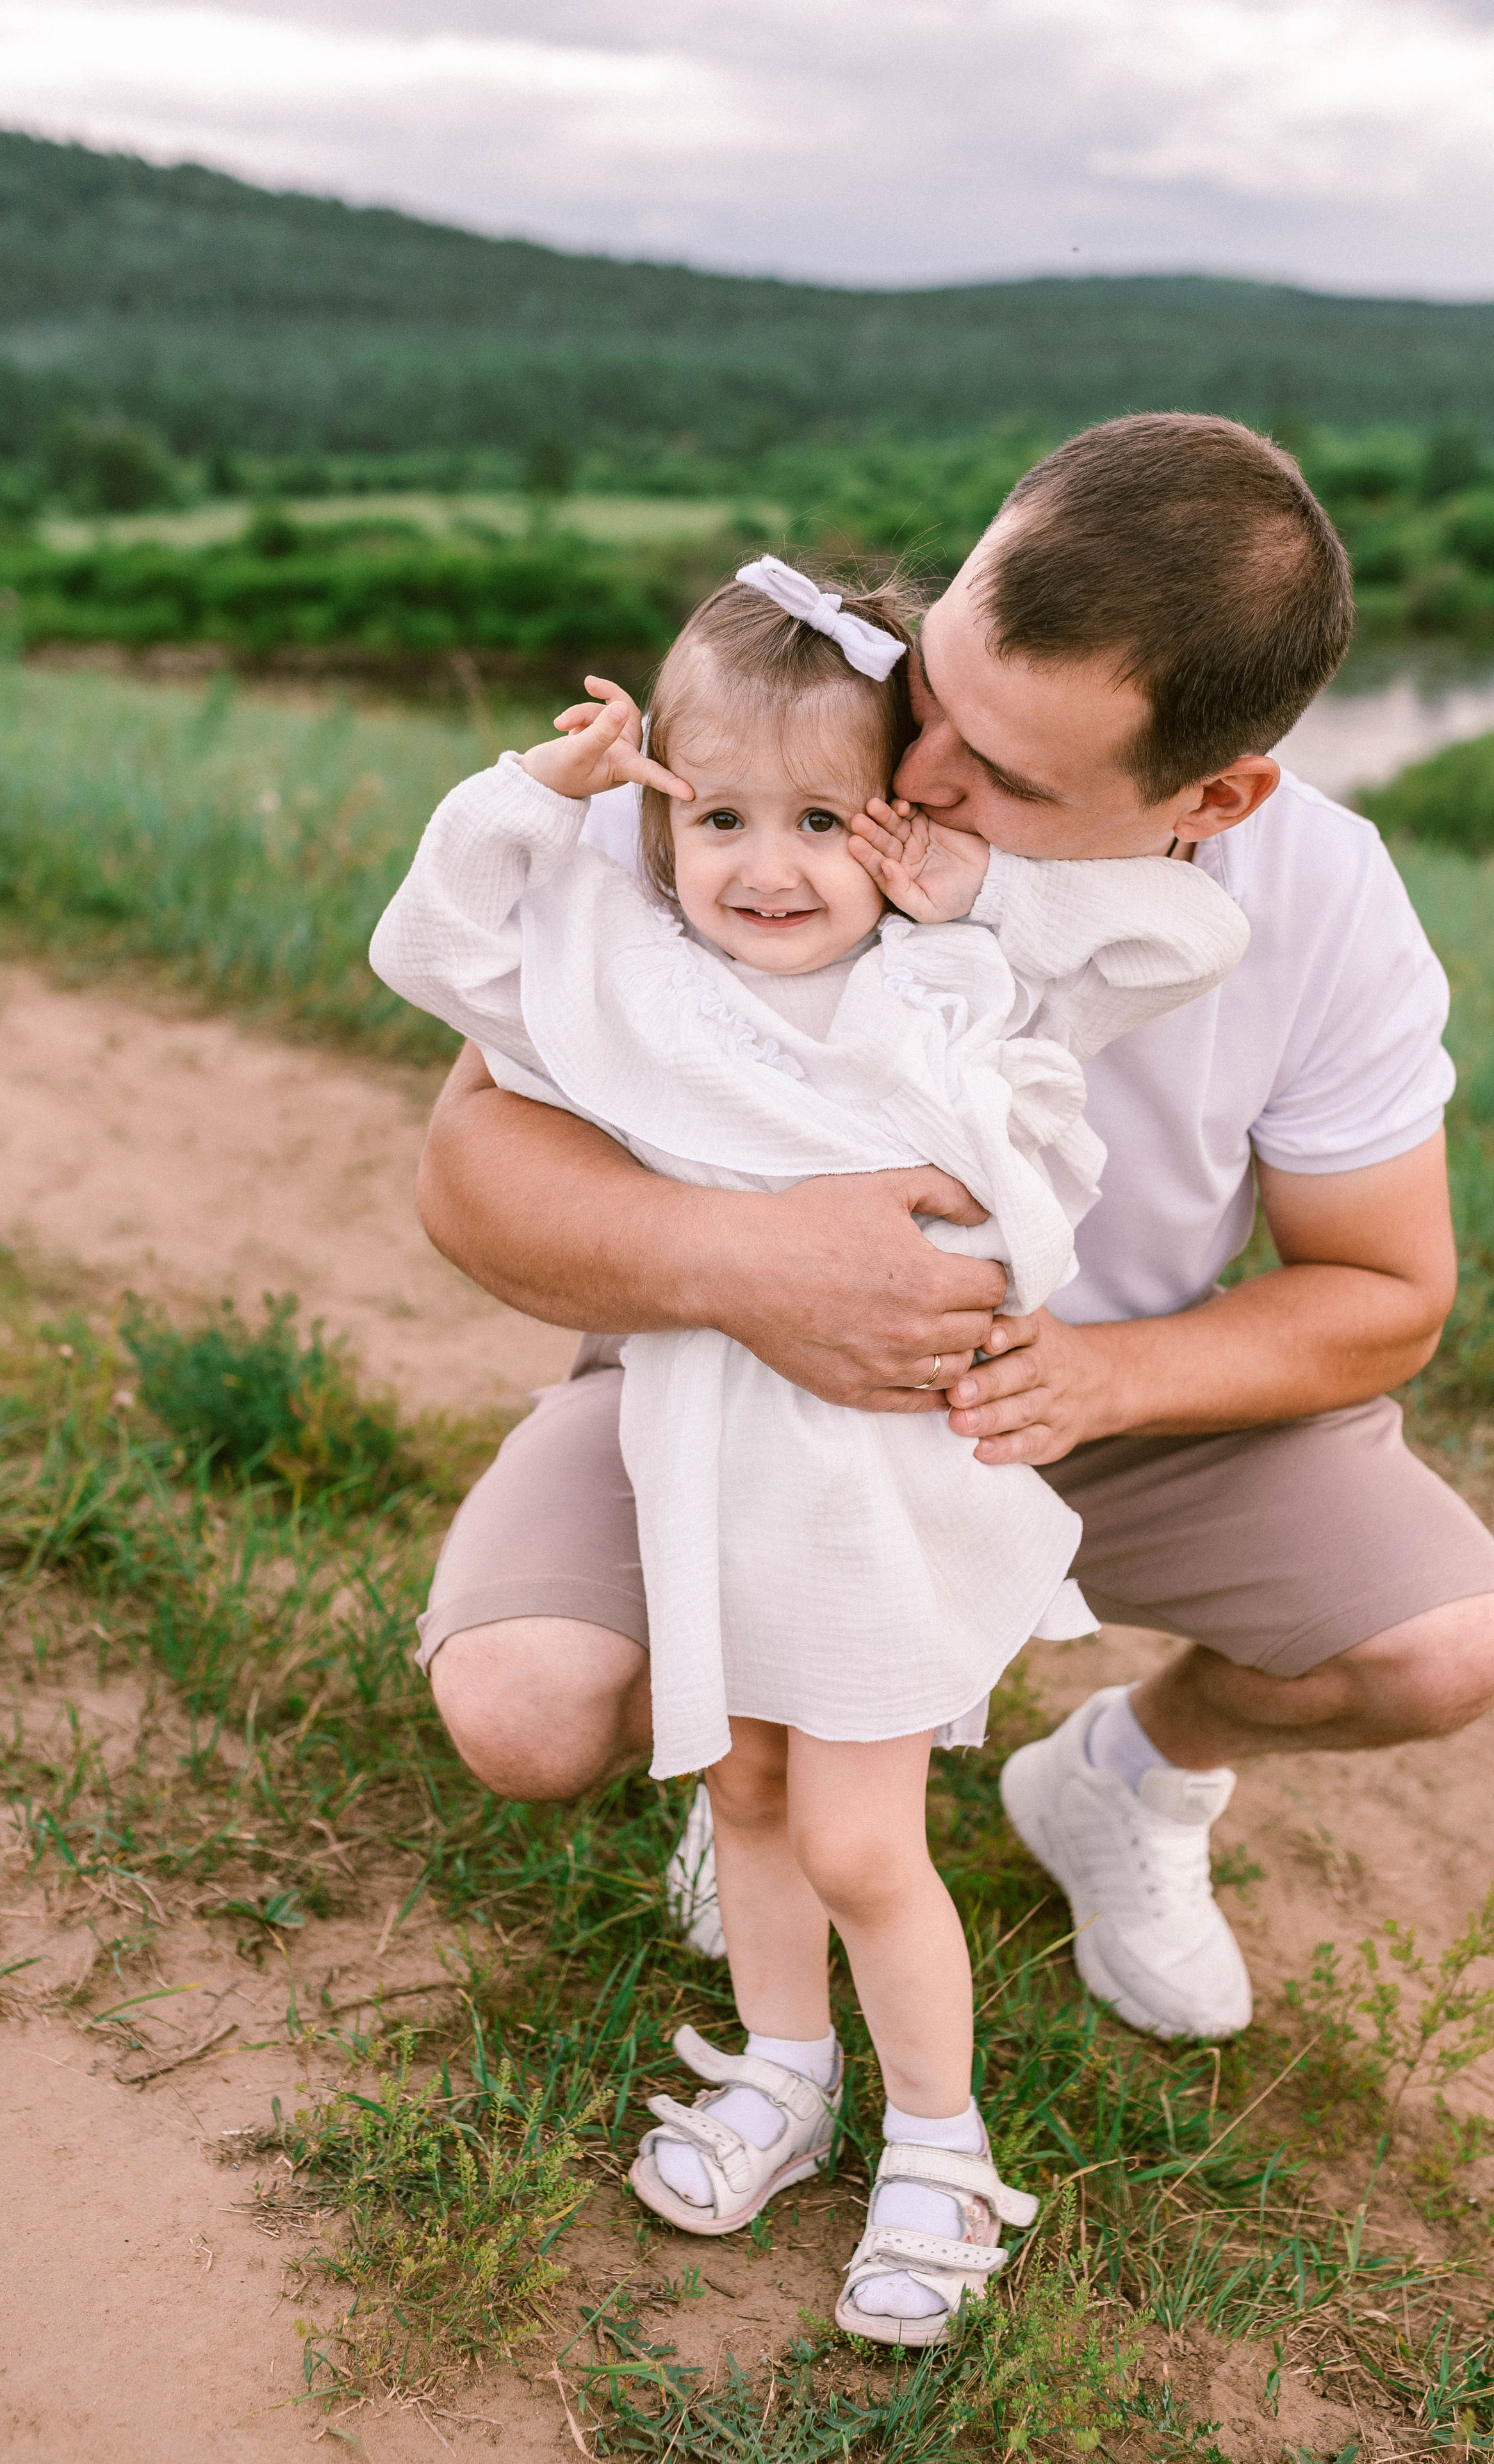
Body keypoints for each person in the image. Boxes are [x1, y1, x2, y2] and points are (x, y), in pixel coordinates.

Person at [410, 411, 1494, 2056]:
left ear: (1213, 796)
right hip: (739, 1376)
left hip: (1085, 1399)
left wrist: (1094, 1379)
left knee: (1442, 1643)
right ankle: (761, 1744)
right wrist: (754, 1269)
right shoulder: (773, 752)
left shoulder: (1321, 900)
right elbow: (466, 1167)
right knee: (523, 1704)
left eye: (1005, 775)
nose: (915, 773)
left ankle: (1119, 1781)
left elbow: (1385, 1292)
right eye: (931, 685)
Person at [370, 553, 1249, 2345]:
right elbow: (429, 950)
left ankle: (941, 2145)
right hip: (708, 1463)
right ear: (662, 819)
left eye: (824, 821)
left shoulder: (950, 978)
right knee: (749, 1801)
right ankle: (785, 2070)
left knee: (858, 1839)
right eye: (719, 817)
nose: (767, 868)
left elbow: (1187, 934)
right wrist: (536, 791)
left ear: (895, 822)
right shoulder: (633, 984)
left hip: (874, 1488)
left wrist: (976, 881)